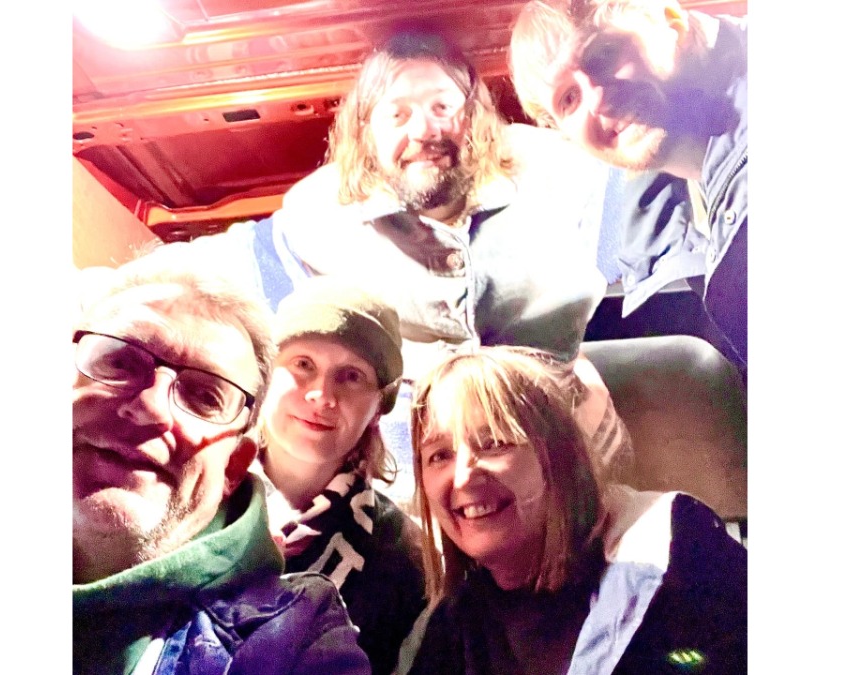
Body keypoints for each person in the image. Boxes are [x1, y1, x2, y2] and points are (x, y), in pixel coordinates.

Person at [268, 28, 700, 501]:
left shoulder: (564, 168)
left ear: (474, 115)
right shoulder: (316, 215)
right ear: (365, 131)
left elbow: (661, 213)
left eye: (442, 107)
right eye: (398, 114)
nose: (424, 131)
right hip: (418, 460)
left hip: (568, 431)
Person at [72, 243, 369, 675]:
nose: (152, 406)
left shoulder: (298, 637)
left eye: (205, 396)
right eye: (119, 361)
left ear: (233, 466)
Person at [401, 346, 746, 675]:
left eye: (494, 443)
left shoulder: (674, 557)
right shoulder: (448, 627)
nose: (463, 477)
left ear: (558, 457)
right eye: (439, 455)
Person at [510, 0, 748, 366]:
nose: (597, 100)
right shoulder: (652, 217)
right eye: (569, 98)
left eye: (604, 56)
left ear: (672, 23)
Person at [253, 276, 428, 675]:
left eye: (351, 376)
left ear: (378, 407)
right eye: (303, 364)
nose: (322, 395)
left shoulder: (405, 558)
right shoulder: (192, 493)